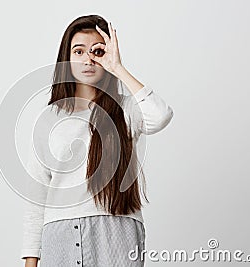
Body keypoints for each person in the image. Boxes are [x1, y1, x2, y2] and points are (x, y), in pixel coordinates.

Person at [20, 14, 174, 267]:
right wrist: (30, 261)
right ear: (66, 59)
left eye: (97, 51)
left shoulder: (125, 109)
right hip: (59, 234)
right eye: (78, 51)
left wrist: (117, 67)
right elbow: (36, 197)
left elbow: (161, 116)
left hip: (117, 230)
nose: (88, 59)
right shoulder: (48, 118)